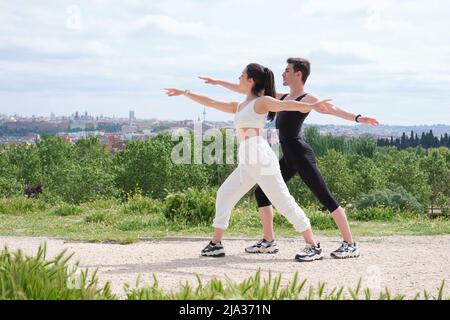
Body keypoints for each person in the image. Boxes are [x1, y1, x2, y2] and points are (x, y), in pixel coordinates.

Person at [198, 57, 379, 259]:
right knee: (262, 194)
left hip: (300, 154)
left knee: (324, 197)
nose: (283, 74)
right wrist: (217, 82)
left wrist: (357, 118)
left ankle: (349, 243)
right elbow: (247, 90)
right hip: (287, 155)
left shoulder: (307, 98)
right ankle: (268, 241)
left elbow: (332, 110)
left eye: (287, 70)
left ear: (298, 74)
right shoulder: (281, 97)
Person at [165, 63, 333, 262]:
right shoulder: (239, 106)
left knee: (282, 200)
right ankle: (216, 244)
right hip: (247, 159)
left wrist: (310, 106)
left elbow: (285, 105)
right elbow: (210, 102)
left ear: (250, 80)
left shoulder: (261, 102)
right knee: (225, 193)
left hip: (260, 157)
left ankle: (313, 245)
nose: (239, 78)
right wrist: (185, 93)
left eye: (241, 75)